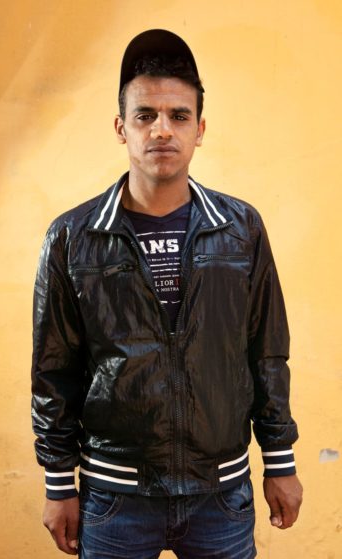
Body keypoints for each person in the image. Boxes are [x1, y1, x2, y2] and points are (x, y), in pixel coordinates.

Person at [31, 29, 303, 558]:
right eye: (145, 115)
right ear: (121, 127)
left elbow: (266, 351)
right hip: (116, 497)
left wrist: (281, 461)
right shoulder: (71, 237)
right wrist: (58, 483)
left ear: (200, 129)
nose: (162, 130)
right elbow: (53, 369)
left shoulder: (240, 228)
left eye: (179, 116)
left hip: (220, 496)